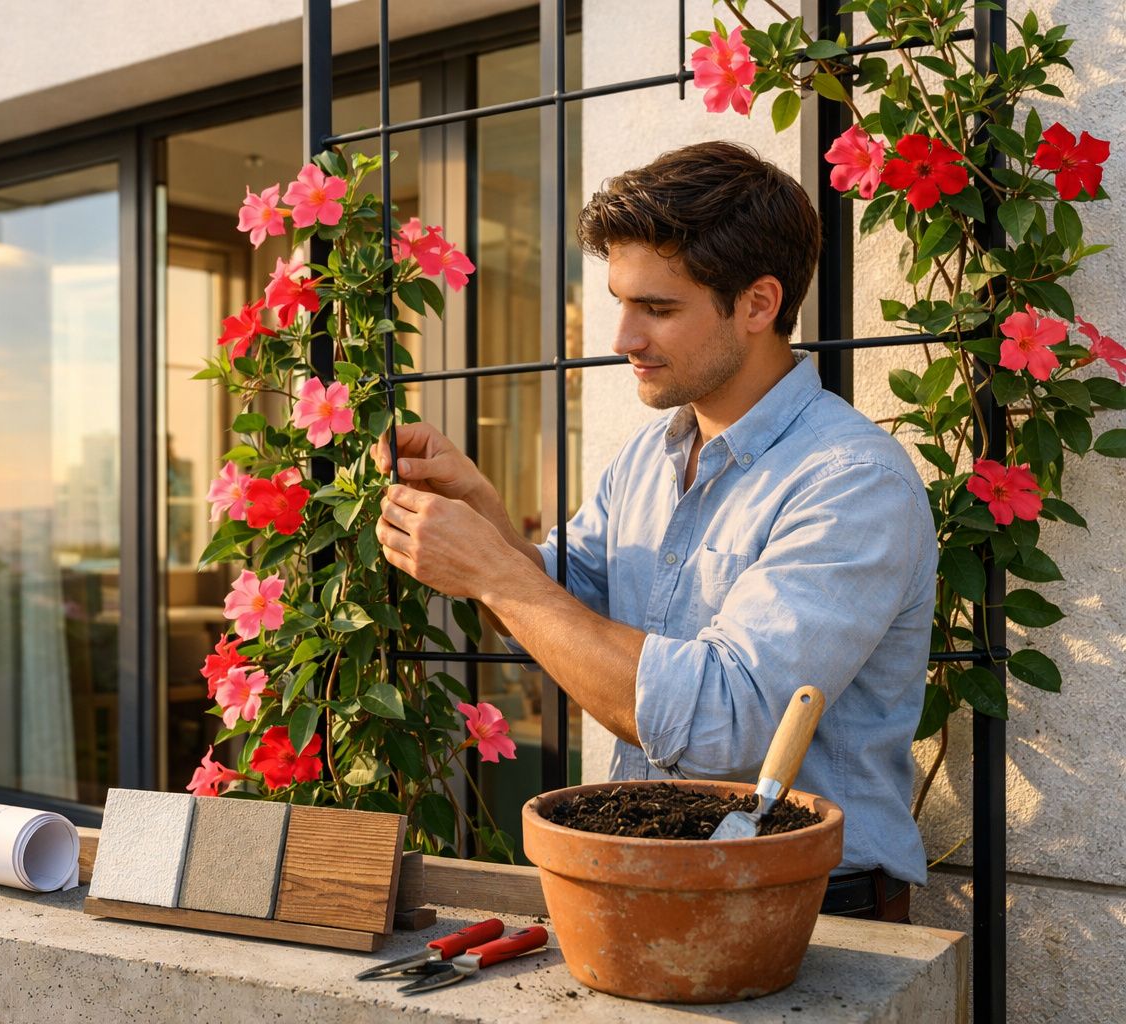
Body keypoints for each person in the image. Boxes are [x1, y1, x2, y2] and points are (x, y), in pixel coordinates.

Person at [372, 140, 935, 923]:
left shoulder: (850, 482)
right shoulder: (652, 455)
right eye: (620, 301)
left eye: (658, 309)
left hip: (812, 912)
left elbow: (723, 726)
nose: (622, 338)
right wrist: (483, 516)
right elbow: (571, 605)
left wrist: (493, 573)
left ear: (759, 304)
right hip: (652, 881)